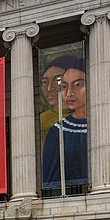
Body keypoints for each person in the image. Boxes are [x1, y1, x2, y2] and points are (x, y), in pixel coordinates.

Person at [40, 64, 88, 194]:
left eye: (78, 85)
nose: (69, 93)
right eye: (65, 86)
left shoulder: (99, 125)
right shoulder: (56, 131)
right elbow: (51, 174)